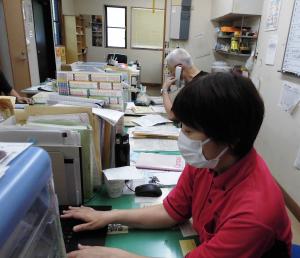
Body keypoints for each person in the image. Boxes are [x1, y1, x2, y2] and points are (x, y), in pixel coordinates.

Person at [62, 73, 291, 258]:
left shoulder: (254, 215)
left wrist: (115, 256)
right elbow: (171, 211)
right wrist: (109, 217)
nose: (182, 137)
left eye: (189, 131)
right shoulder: (208, 159)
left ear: (230, 139)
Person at [161, 48, 207, 120]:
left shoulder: (191, 88)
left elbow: (172, 115)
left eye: (171, 71)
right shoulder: (209, 79)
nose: (171, 74)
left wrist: (165, 89)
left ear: (179, 68)